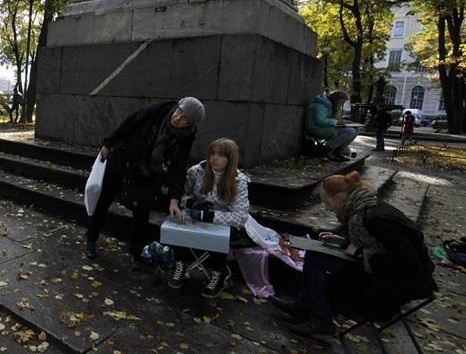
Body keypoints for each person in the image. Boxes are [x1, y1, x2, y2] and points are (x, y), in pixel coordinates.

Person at [267, 171, 436, 338]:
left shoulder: (377, 218)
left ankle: (320, 319)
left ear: (339, 198)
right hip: (382, 270)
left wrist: (360, 253)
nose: (327, 208)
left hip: (399, 283)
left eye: (327, 203)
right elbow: (378, 245)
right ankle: (303, 306)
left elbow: (408, 265)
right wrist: (343, 242)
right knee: (314, 255)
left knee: (317, 260)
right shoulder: (365, 207)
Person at [85, 97, 205, 270]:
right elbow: (130, 122)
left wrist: (173, 199)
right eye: (180, 112)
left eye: (185, 118)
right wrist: (108, 143)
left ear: (190, 125)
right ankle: (91, 239)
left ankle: (136, 252)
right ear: (177, 107)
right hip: (123, 161)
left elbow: (178, 167)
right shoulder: (157, 111)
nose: (178, 118)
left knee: (142, 213)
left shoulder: (185, 138)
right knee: (104, 200)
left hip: (149, 174)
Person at [167, 138, 250, 298]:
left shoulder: (239, 181)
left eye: (221, 155)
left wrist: (209, 216)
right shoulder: (196, 171)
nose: (214, 158)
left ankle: (218, 273)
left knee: (219, 236)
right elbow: (183, 194)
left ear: (230, 159)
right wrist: (191, 203)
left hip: (222, 220)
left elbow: (240, 217)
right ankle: (180, 264)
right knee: (179, 224)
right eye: (212, 153)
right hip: (195, 215)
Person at [304, 90, 357, 162]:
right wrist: (337, 122)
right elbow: (320, 121)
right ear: (336, 100)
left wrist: (344, 122)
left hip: (325, 127)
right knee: (350, 131)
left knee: (356, 128)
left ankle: (339, 150)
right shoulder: (321, 105)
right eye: (341, 102)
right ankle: (327, 149)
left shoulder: (331, 106)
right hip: (315, 128)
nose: (342, 105)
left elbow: (331, 119)